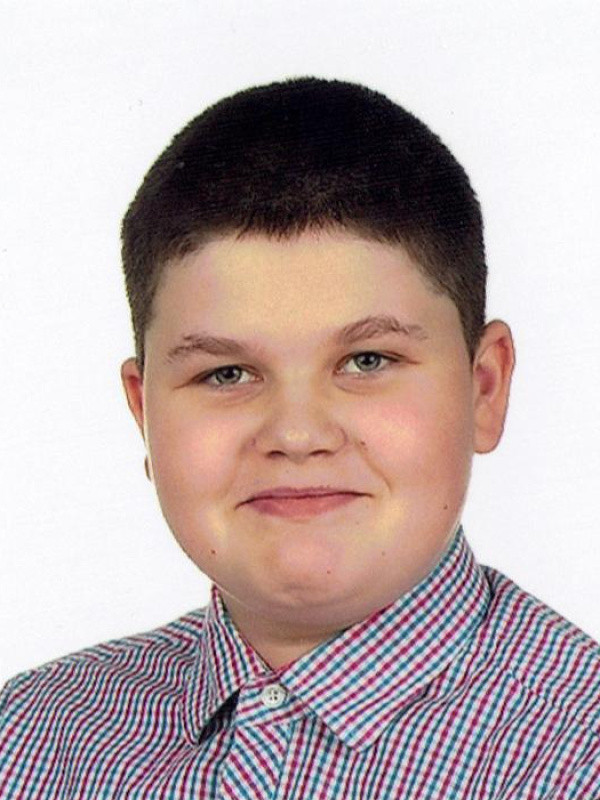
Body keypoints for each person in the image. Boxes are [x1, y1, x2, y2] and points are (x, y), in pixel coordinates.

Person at [0, 77, 598, 800]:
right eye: (225, 374)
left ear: (484, 389)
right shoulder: (29, 737)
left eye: (367, 361)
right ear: (143, 413)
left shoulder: (579, 753)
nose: (296, 433)